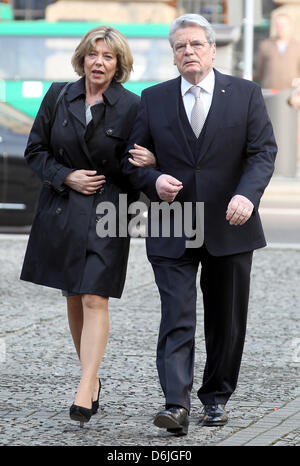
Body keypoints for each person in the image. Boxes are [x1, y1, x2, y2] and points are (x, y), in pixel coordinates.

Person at [121, 14, 277, 435]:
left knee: (226, 319)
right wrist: (153, 179)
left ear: (211, 49)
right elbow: (131, 162)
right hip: (172, 224)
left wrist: (247, 194)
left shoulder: (245, 94)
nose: (187, 52)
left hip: (231, 222)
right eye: (179, 47)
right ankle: (176, 404)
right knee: (177, 315)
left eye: (194, 44)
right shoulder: (152, 100)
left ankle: (216, 398)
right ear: (173, 58)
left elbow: (262, 152)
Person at [20, 25, 155, 428]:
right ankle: (91, 377)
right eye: (94, 54)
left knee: (95, 296)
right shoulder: (58, 95)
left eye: (108, 56)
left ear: (119, 65)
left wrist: (150, 163)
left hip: (110, 211)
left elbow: (136, 167)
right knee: (74, 297)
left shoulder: (133, 106)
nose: (99, 62)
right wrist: (66, 175)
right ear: (82, 58)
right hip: (62, 211)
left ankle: (85, 384)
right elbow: (35, 151)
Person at [255, 13, 300, 90]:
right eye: (278, 25)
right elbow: (259, 72)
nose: (281, 27)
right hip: (270, 91)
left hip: (291, 92)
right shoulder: (265, 45)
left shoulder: (297, 47)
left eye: (284, 24)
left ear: (290, 26)